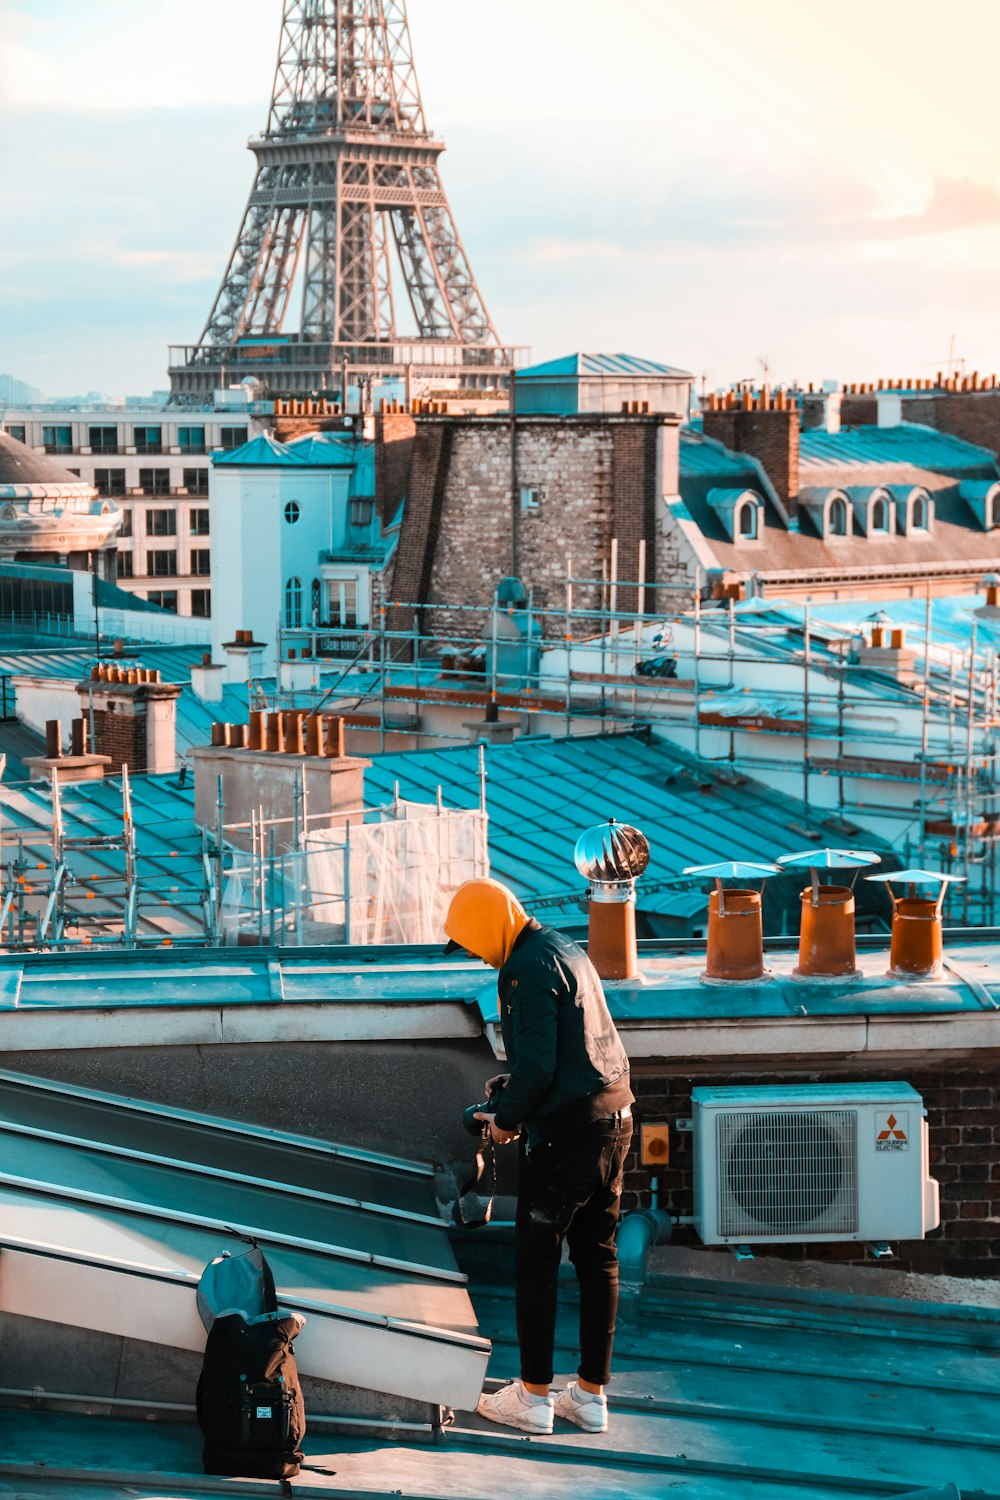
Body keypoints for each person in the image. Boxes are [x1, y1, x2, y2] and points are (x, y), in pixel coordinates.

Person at [444, 876, 633, 1436]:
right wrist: (516, 1088)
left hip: (570, 1137)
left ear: (486, 925)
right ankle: (592, 1396)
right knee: (599, 1259)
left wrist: (502, 1122)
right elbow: (571, 1052)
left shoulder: (521, 969)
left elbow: (540, 1070)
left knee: (536, 1261)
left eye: (473, 942)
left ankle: (532, 1397)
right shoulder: (564, 947)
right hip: (616, 1118)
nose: (477, 954)